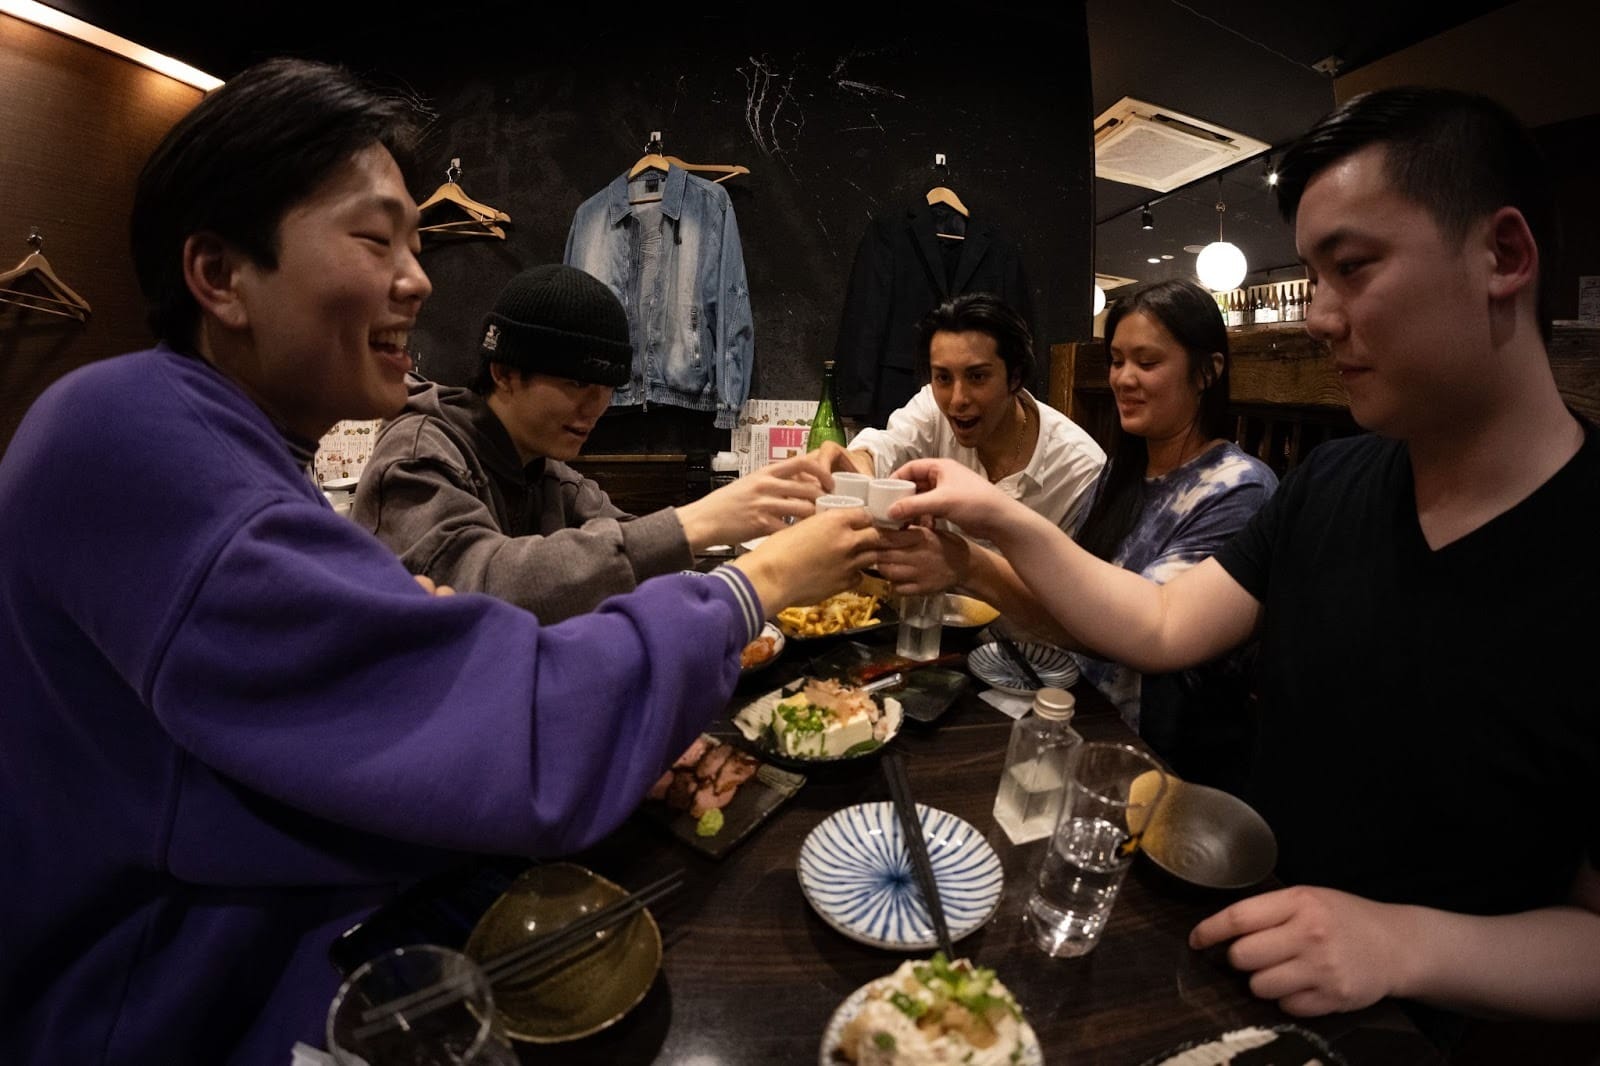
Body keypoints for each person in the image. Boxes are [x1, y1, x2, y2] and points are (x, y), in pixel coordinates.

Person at [0, 58, 877, 1066]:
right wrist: (756, 579)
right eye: (376, 239)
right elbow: (520, 722)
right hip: (165, 1009)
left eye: (417, 243)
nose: (419, 279)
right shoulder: (136, 440)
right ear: (219, 274)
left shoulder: (212, 443)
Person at [891, 87, 1600, 1024]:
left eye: (1353, 267)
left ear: (1503, 256)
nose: (1319, 316)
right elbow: (1160, 622)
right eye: (1312, 276)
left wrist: (1405, 944)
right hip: (1239, 938)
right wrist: (994, 515)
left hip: (1429, 1024)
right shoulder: (1331, 482)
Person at [877, 279, 1277, 789]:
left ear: (1208, 371)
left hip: (1158, 767)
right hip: (1072, 717)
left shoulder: (1238, 491)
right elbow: (1075, 619)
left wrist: (972, 557)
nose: (1124, 379)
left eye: (1147, 363)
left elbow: (1138, 635)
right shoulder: (1121, 477)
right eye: (1116, 361)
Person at [353, 263, 829, 621]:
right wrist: (698, 521)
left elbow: (626, 543)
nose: (595, 408)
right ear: (504, 373)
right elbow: (479, 584)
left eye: (607, 388)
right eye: (577, 383)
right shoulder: (419, 455)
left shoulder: (543, 469)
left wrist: (779, 549)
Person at [816, 292, 1105, 534]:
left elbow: (1075, 584)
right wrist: (857, 464)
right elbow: (887, 446)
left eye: (977, 377)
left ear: (1015, 377)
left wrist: (963, 563)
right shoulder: (932, 409)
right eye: (943, 378)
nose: (957, 400)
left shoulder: (1079, 469)